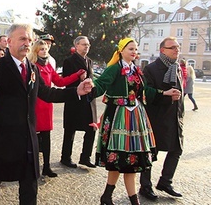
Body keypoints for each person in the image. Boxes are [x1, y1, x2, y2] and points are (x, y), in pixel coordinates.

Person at [0, 23, 92, 205]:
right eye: (22, 39)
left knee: (30, 185)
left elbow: (47, 93)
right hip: (2, 138)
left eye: (29, 39)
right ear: (9, 41)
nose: (27, 43)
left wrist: (76, 91)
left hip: (28, 137)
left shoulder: (32, 68)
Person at [91, 37, 180, 205]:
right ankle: (118, 198)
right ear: (121, 51)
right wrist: (90, 88)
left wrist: (164, 93)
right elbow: (101, 84)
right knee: (118, 158)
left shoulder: (136, 70)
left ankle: (114, 197)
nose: (134, 52)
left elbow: (145, 89)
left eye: (135, 49)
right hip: (119, 117)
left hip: (135, 117)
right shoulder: (114, 69)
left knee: (129, 160)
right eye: (130, 49)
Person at [28, 39, 85, 178]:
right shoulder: (32, 66)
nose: (44, 51)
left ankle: (46, 166)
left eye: (46, 48)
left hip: (47, 104)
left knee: (47, 137)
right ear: (35, 51)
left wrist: (76, 75)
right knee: (33, 137)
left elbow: (60, 82)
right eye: (41, 49)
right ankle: (31, 167)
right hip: (35, 104)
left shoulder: (48, 66)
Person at [139, 37, 185, 200]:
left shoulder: (177, 67)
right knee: (152, 153)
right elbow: (146, 94)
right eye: (172, 47)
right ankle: (145, 186)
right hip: (157, 118)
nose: (176, 50)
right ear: (162, 50)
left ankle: (165, 182)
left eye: (178, 47)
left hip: (174, 117)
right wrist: (166, 97)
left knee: (176, 150)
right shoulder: (151, 68)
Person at [61, 36, 97, 168]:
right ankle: (65, 157)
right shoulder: (69, 61)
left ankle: (85, 157)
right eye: (83, 45)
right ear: (76, 46)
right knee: (70, 130)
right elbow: (66, 81)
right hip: (74, 100)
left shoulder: (89, 61)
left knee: (91, 129)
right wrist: (78, 79)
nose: (86, 47)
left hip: (89, 101)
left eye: (88, 45)